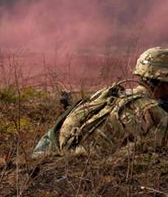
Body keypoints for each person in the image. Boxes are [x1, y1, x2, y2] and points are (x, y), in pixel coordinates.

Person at [32, 47, 168, 157]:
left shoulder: (110, 94)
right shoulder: (152, 110)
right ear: (165, 84)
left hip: (60, 153)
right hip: (84, 164)